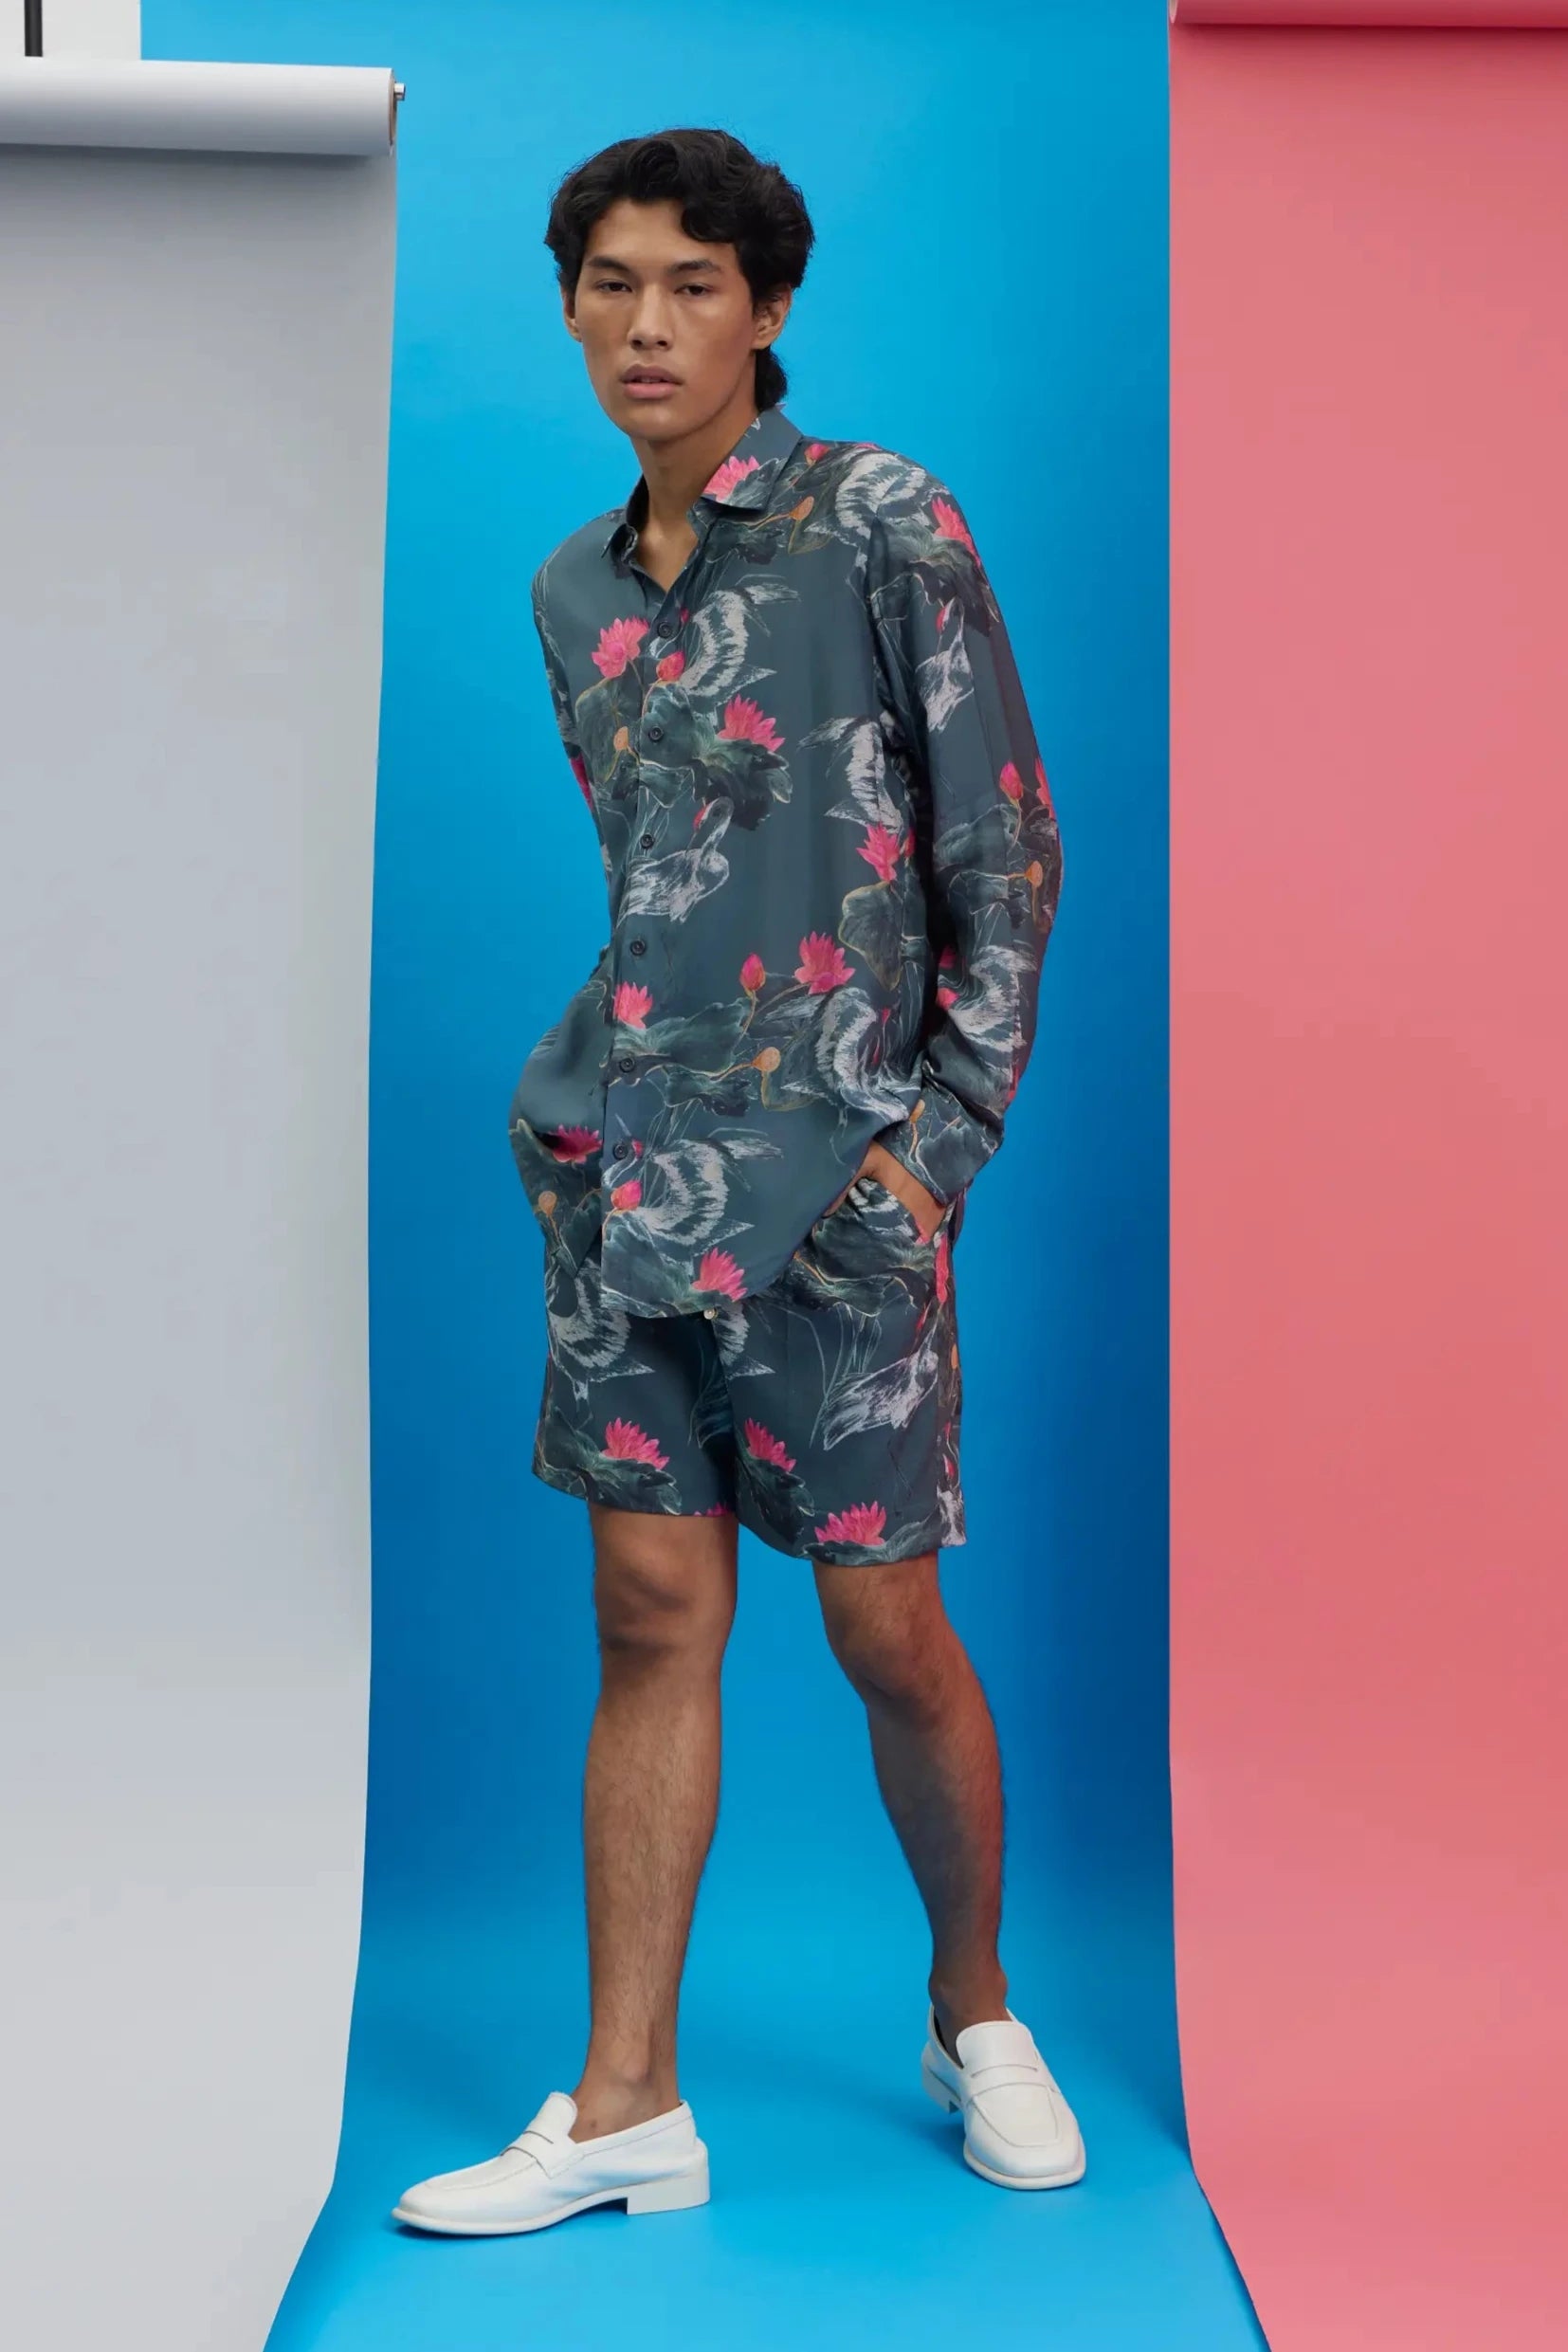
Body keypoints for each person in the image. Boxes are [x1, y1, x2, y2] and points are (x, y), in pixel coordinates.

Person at [394, 127, 1076, 2239]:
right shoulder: (569, 592)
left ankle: (971, 2008)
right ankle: (627, 2104)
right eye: (608, 283)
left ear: (764, 311)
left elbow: (999, 847)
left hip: (840, 1189)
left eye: (691, 284)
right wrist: (583, 1133)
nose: (646, 325)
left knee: (883, 1624)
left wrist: (932, 1152)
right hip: (623, 1173)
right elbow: (660, 880)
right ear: (568, 309)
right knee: (646, 1612)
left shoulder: (881, 520)